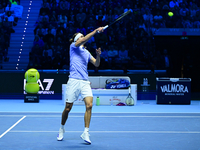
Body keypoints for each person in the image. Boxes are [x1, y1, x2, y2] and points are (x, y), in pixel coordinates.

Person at [57, 26, 104, 144]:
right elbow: (83, 40)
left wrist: (98, 55)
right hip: (73, 80)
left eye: (83, 36)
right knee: (68, 108)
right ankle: (62, 128)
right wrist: (95, 31)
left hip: (84, 81)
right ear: (76, 40)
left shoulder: (87, 52)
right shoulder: (73, 47)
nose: (83, 38)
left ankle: (86, 132)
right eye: (80, 37)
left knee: (89, 105)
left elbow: (96, 64)